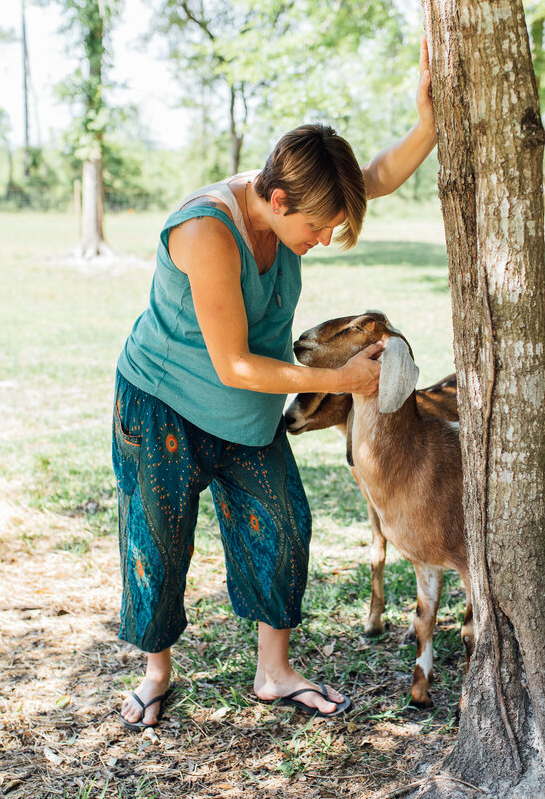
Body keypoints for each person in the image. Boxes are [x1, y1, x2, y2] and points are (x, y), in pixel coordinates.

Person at [113, 43, 437, 729]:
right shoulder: (207, 231)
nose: (321, 240)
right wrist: (341, 380)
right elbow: (233, 363)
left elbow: (371, 177)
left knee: (284, 525)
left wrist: (428, 126)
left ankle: (274, 671)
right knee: (158, 539)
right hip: (163, 402)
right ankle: (156, 674)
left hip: (246, 411)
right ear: (278, 198)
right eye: (317, 227)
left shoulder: (292, 195)